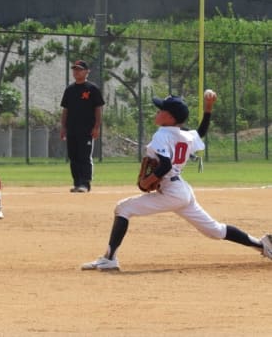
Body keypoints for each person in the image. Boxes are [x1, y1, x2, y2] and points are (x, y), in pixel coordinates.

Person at [82, 91, 272, 271]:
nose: (158, 112)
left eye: (161, 109)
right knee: (215, 230)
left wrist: (148, 180)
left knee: (123, 208)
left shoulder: (161, 135)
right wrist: (208, 108)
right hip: (181, 191)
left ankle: (109, 259)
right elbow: (202, 132)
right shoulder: (184, 135)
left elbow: (164, 165)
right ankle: (263, 245)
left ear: (170, 118)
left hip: (172, 191)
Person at [60, 60, 105, 193]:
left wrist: (96, 127)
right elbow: (65, 110)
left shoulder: (92, 89)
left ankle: (85, 183)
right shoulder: (69, 90)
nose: (76, 71)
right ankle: (77, 182)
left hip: (87, 129)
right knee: (73, 156)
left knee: (84, 156)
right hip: (71, 129)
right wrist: (63, 127)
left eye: (79, 69)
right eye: (74, 69)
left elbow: (98, 108)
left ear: (87, 71)